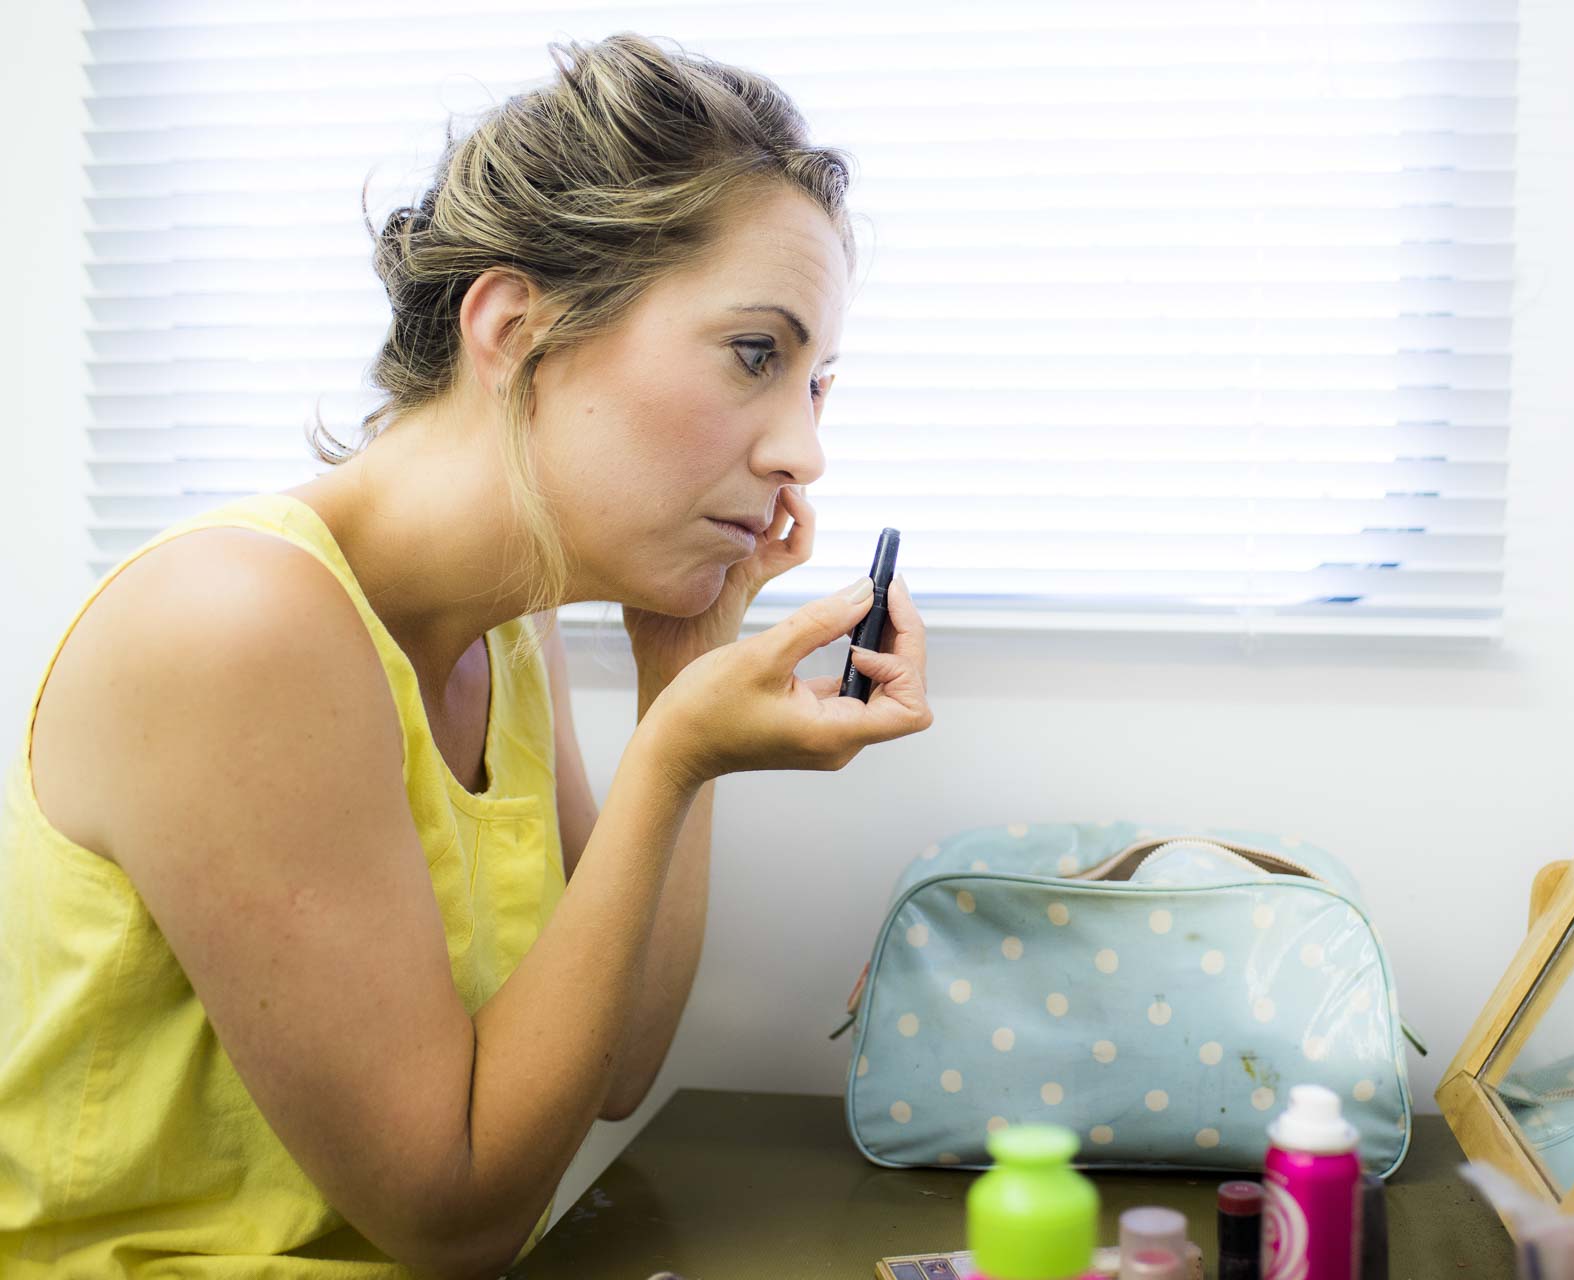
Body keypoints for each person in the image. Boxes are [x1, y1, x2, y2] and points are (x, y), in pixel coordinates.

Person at [0, 33, 931, 1278]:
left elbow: (614, 1068)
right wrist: (670, 758)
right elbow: (453, 1215)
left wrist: (684, 665)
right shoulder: (237, 625)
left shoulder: (510, 620)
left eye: (816, 384)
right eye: (755, 353)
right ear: (514, 326)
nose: (801, 453)